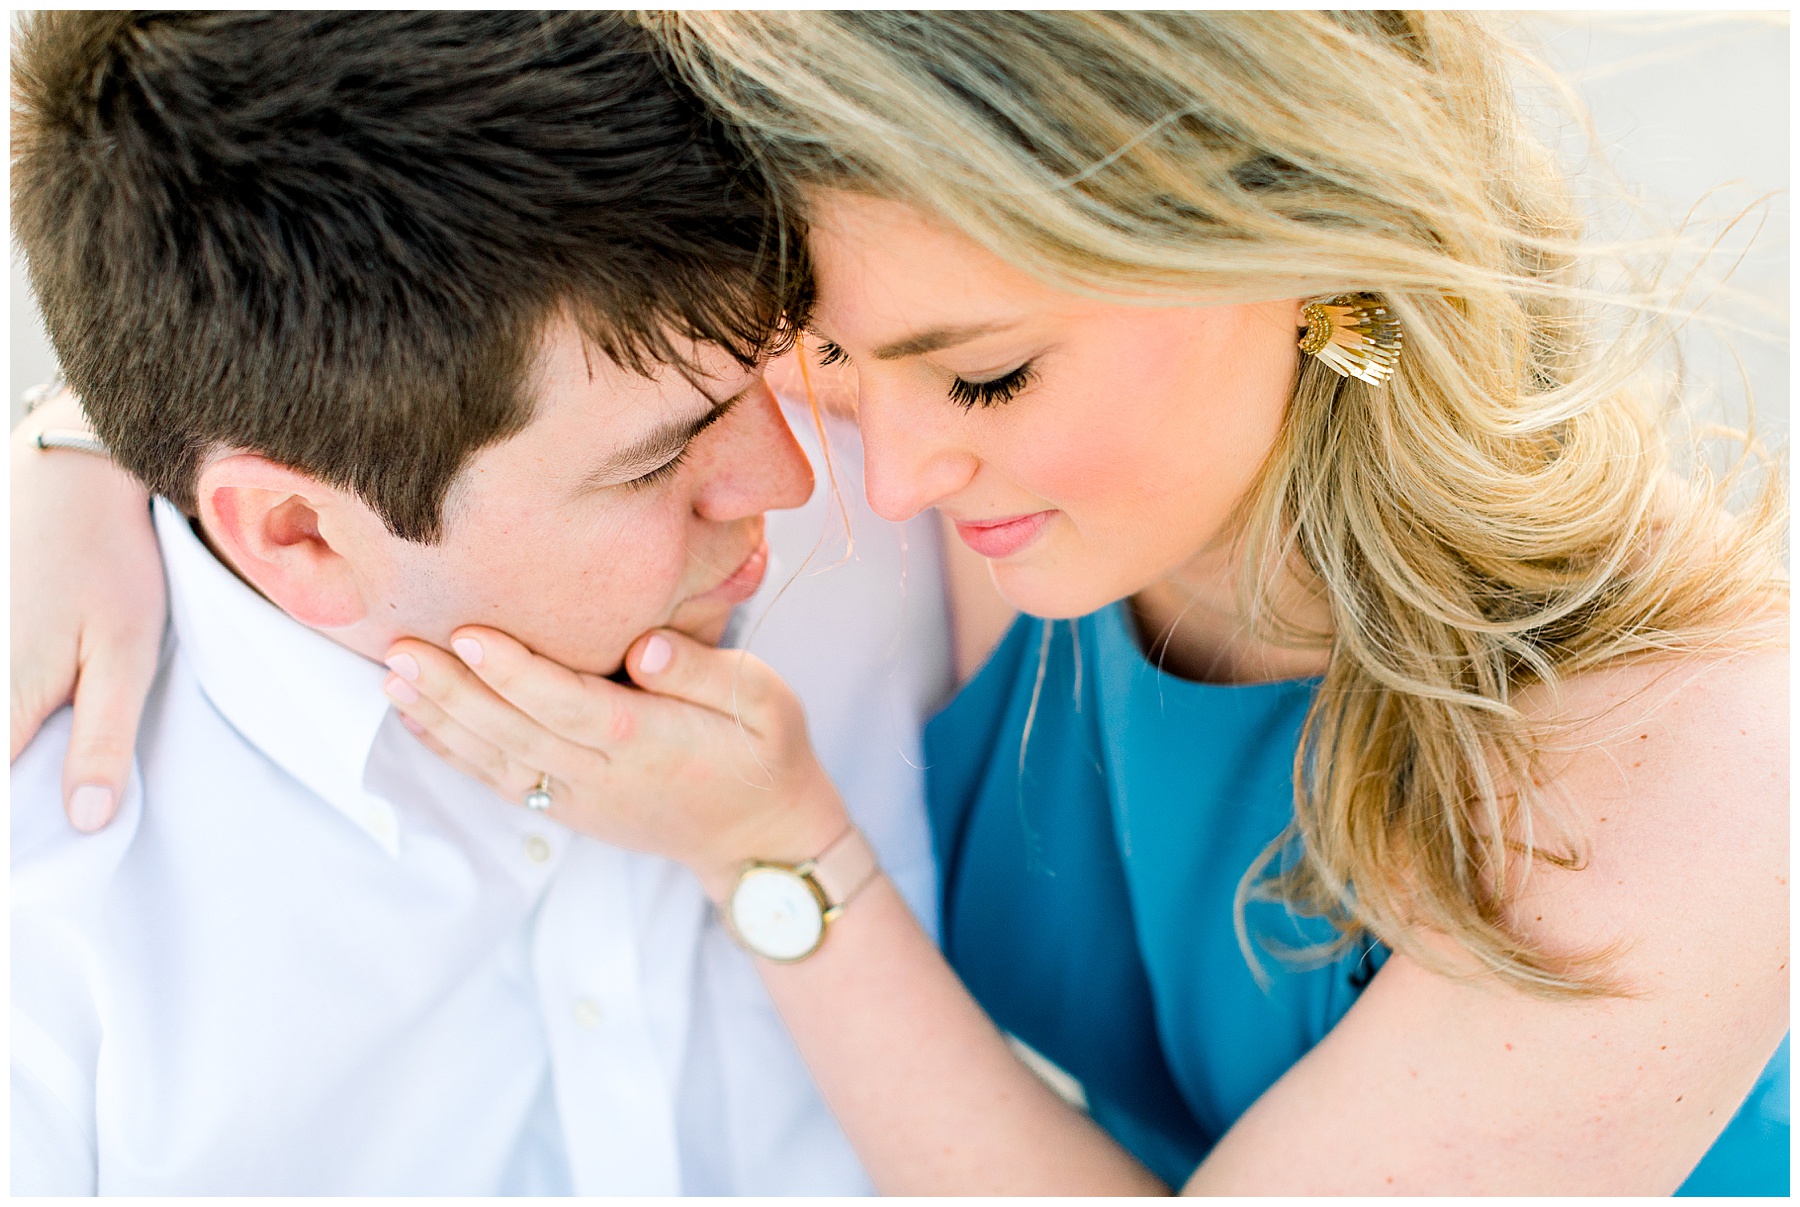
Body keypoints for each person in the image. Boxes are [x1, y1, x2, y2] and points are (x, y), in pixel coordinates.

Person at [13, 10, 1788, 1197]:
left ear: (1302, 241)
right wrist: (103, 443)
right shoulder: (999, 507)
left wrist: (787, 862)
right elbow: (380, 198)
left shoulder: (1706, 760)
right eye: (828, 365)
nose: (857, 479)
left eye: (988, 377)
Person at [8, 11, 942, 1195]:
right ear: (300, 536)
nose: (795, 479)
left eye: (768, 369)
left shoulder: (910, 503)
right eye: (659, 462)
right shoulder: (45, 909)